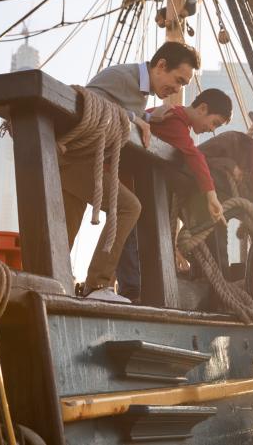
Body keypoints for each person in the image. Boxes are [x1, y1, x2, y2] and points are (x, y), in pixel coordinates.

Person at [60, 41, 200, 302]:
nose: (177, 89)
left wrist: (146, 118)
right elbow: (89, 103)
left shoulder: (139, 89)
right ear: (161, 66)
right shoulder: (125, 77)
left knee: (68, 228)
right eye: (178, 80)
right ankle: (96, 285)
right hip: (73, 159)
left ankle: (53, 283)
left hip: (81, 161)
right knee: (129, 207)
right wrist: (134, 118)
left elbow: (120, 111)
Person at [116, 89, 233, 302]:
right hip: (125, 182)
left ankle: (134, 289)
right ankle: (131, 291)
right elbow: (193, 154)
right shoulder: (173, 119)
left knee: (133, 233)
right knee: (129, 234)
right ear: (203, 108)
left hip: (132, 185)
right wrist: (211, 195)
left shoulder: (174, 119)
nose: (211, 130)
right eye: (214, 122)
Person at [176, 121, 253, 273]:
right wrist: (229, 165)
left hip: (220, 208)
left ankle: (223, 276)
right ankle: (217, 275)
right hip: (194, 196)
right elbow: (194, 157)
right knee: (217, 215)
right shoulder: (233, 141)